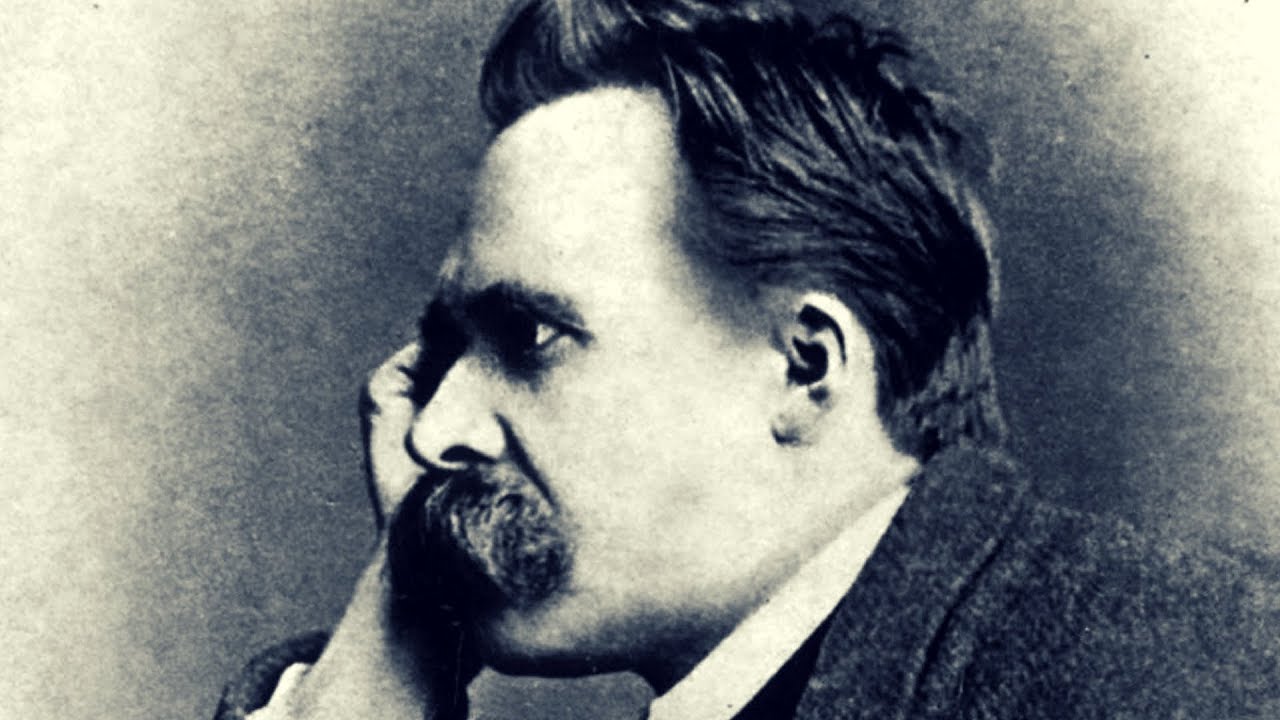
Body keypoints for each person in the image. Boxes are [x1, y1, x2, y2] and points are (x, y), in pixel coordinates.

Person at [216, 1, 1280, 718]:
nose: (431, 432)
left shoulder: (1182, 669)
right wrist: (405, 617)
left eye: (531, 337)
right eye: (449, 351)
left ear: (804, 368)